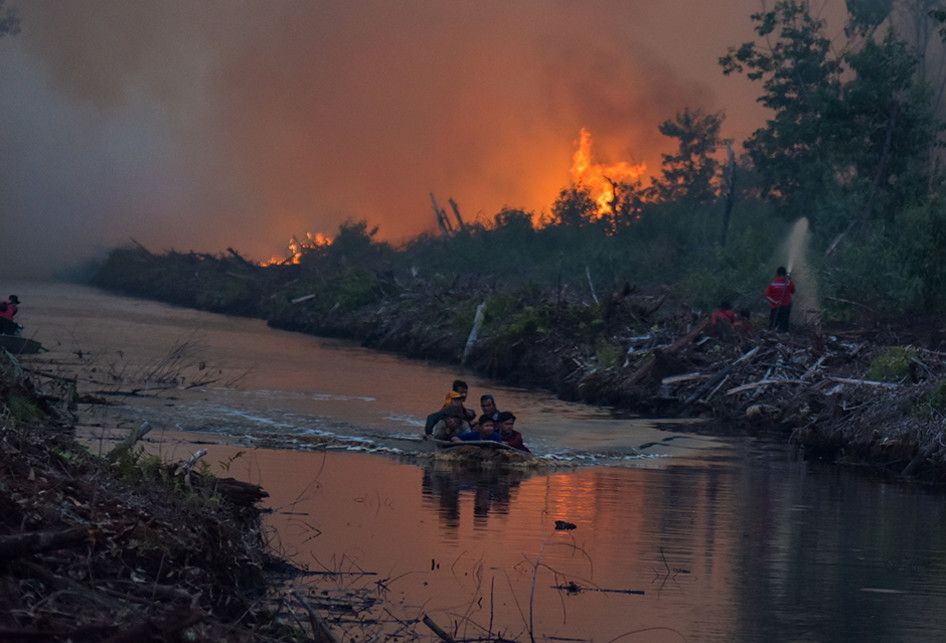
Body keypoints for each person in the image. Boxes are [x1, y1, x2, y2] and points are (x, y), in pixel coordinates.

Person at [764, 267, 795, 332]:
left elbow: (767, 295)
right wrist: (790, 280)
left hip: (775, 306)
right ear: (785, 274)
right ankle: (784, 334)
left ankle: (771, 333)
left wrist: (774, 302)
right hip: (786, 307)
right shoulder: (788, 283)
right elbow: (793, 291)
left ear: (777, 274)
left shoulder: (773, 283)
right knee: (784, 324)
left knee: (773, 323)